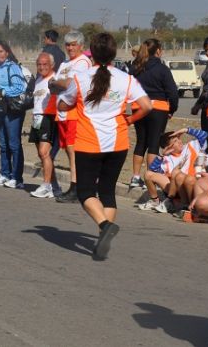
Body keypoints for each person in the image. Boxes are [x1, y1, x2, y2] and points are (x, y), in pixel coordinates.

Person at [57, 32, 152, 260]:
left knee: (85, 192)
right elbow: (147, 105)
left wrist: (64, 101)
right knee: (107, 191)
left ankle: (104, 226)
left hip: (89, 143)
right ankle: (103, 236)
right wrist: (129, 119)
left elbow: (63, 103)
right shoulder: (126, 78)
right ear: (114, 52)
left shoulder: (80, 78)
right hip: (118, 142)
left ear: (91, 52)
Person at [127, 39, 178, 200]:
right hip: (158, 108)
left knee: (141, 142)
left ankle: (135, 176)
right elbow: (172, 91)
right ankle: (151, 176)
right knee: (154, 143)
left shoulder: (136, 67)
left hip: (139, 107)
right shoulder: (162, 69)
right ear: (158, 51)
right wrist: (172, 109)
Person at [49, 31, 93, 202]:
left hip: (74, 112)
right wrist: (56, 83)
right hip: (62, 113)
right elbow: (53, 85)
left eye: (74, 44)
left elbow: (68, 84)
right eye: (68, 44)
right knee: (69, 151)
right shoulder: (66, 63)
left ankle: (76, 187)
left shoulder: (82, 62)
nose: (70, 48)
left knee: (73, 150)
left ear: (81, 45)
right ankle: (77, 186)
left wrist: (56, 83)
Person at [0, 41, 27, 189]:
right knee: (3, 144)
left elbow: (19, 87)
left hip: (13, 110)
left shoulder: (13, 67)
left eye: (1, 51)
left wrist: (3, 92)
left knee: (14, 144)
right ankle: (5, 174)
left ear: (7, 52)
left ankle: (17, 178)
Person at [143, 128, 208, 213]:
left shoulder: (191, 146)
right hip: (176, 188)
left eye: (179, 139)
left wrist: (186, 130)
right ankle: (155, 201)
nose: (180, 142)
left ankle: (171, 201)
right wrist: (161, 155)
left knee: (177, 173)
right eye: (175, 142)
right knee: (148, 174)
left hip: (191, 183)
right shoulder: (167, 158)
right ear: (169, 147)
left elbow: (205, 135)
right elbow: (153, 170)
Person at [29, 52, 59, 198]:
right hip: (36, 118)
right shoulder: (39, 79)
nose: (42, 67)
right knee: (42, 155)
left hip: (48, 118)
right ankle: (53, 186)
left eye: (45, 64)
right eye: (39, 64)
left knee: (44, 152)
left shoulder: (55, 79)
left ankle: (47, 186)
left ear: (51, 65)